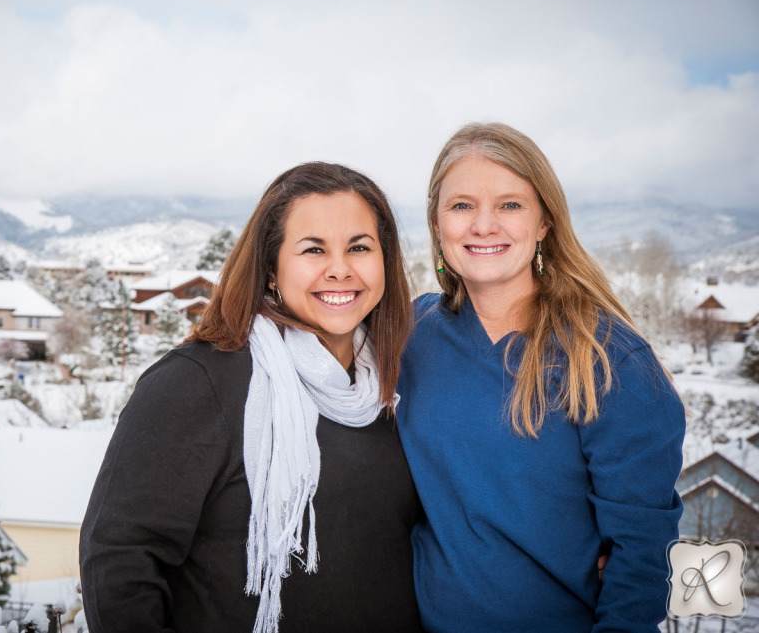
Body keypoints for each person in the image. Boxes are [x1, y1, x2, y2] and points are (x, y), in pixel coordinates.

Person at [80, 162, 421, 633]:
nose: (340, 269)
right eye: (313, 249)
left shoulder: (394, 385)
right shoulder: (198, 382)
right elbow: (119, 559)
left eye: (360, 247)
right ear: (271, 270)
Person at [397, 122, 685, 632]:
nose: (484, 225)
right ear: (437, 224)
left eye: (510, 205)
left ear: (545, 222)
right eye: (461, 206)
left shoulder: (609, 361)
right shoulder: (409, 334)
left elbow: (642, 557)